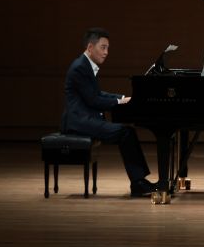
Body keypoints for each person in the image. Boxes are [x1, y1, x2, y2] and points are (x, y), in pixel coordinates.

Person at [61, 27, 156, 197]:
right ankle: (138, 183)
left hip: (86, 119)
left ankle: (139, 182)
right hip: (79, 122)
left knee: (127, 132)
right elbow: (93, 100)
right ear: (90, 47)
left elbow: (97, 94)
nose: (106, 52)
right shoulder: (79, 68)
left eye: (107, 48)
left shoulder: (85, 65)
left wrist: (122, 97)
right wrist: (119, 102)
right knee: (125, 133)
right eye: (103, 47)